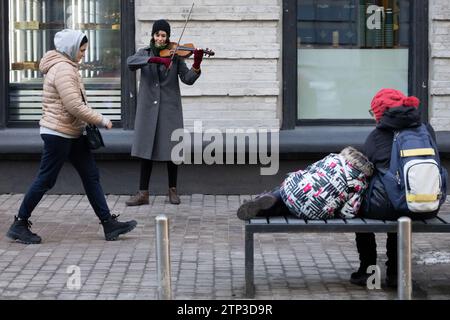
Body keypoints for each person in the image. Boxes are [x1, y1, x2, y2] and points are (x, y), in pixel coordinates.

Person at [6, 29, 137, 244]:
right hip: (58, 133)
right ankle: (19, 223)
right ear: (71, 49)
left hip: (72, 132)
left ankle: (108, 224)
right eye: (82, 50)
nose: (84, 53)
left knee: (90, 175)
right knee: (46, 179)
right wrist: (100, 119)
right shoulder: (64, 70)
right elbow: (74, 105)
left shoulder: (67, 67)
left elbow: (76, 103)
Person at [349, 88, 436, 288]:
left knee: (360, 205)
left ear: (381, 113)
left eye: (373, 113)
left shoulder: (376, 136)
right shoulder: (425, 130)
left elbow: (367, 171)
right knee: (400, 204)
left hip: (391, 207)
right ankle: (396, 274)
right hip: (426, 204)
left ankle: (367, 270)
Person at [126, 19, 204, 206]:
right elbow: (130, 63)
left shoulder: (176, 56)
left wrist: (197, 64)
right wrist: (154, 59)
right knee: (146, 151)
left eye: (164, 35)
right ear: (153, 35)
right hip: (148, 111)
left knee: (172, 151)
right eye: (158, 35)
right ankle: (143, 193)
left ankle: (173, 191)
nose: (161, 38)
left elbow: (187, 79)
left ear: (168, 37)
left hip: (169, 109)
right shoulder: (143, 53)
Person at [237, 146, 374, 221]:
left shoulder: (333, 158)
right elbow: (348, 213)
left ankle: (260, 202)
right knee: (295, 207)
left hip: (294, 190)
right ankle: (261, 206)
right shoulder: (360, 183)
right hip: (316, 212)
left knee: (288, 194)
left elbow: (310, 170)